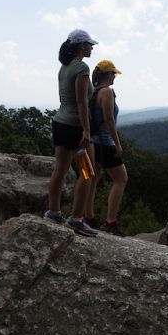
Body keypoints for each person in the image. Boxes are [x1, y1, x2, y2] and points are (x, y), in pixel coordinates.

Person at [44, 29, 99, 237]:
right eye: (89, 44)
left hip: (60, 122)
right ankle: (76, 219)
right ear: (81, 46)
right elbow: (81, 102)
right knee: (88, 172)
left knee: (60, 169)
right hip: (76, 128)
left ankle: (54, 212)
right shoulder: (82, 68)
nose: (92, 47)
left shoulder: (64, 67)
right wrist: (86, 130)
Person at [85, 59, 128, 236]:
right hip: (106, 143)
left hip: (92, 143)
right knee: (121, 180)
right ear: (107, 75)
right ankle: (110, 221)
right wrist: (117, 144)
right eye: (113, 74)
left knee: (92, 179)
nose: (114, 77)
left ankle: (88, 217)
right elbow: (109, 119)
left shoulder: (93, 92)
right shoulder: (107, 92)